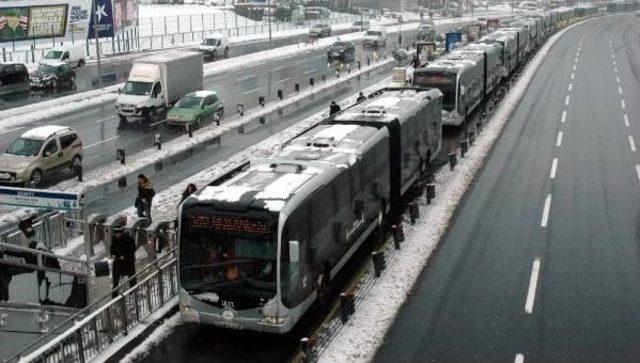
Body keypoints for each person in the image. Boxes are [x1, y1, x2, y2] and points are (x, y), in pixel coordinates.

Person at [110, 228, 137, 298]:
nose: (116, 235)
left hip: (128, 262)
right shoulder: (114, 239)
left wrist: (125, 256)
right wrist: (112, 254)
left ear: (121, 233)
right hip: (118, 261)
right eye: (115, 234)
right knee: (115, 278)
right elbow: (112, 248)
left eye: (117, 234)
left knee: (131, 276)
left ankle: (133, 290)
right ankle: (114, 293)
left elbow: (133, 249)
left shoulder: (129, 239)